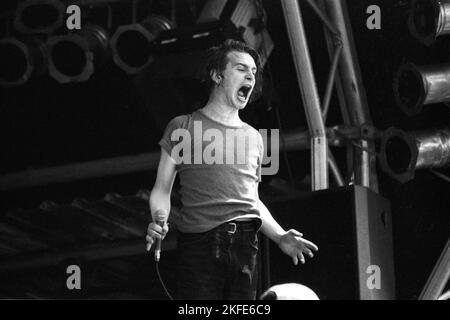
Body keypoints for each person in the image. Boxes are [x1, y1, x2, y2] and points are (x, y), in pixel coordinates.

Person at [145, 39, 318, 300]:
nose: (250, 75)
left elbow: (252, 199)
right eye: (240, 68)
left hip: (246, 246)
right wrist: (159, 217)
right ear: (217, 75)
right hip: (200, 244)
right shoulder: (183, 126)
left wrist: (280, 236)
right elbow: (161, 189)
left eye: (253, 72)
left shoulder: (255, 138)